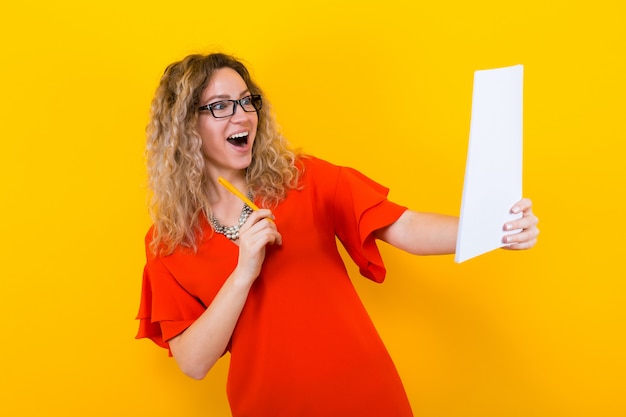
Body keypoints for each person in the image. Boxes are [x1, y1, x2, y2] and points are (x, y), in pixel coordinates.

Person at [135, 52, 539, 417]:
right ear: (186, 125)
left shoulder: (303, 179)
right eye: (220, 107)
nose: (241, 116)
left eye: (246, 101)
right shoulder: (169, 240)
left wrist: (492, 229)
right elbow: (192, 362)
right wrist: (244, 272)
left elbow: (404, 226)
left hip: (366, 397)